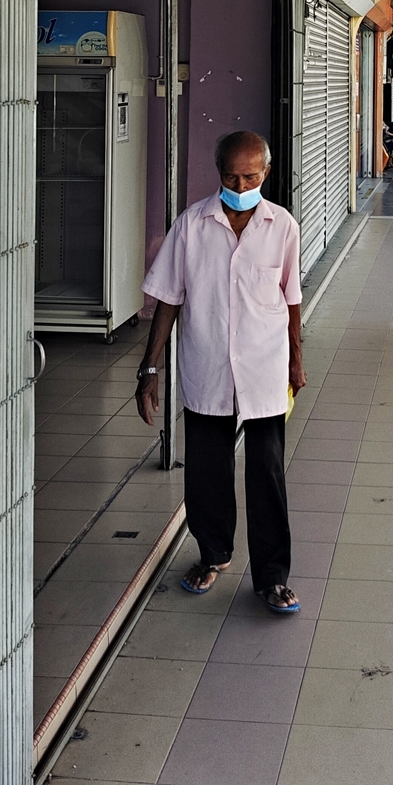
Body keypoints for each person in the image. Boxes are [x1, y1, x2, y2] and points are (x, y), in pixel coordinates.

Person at [134, 130, 307, 613]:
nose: (241, 185)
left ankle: (272, 577)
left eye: (250, 177)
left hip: (264, 368)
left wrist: (296, 359)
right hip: (207, 366)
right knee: (206, 470)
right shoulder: (192, 225)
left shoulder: (282, 226)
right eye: (231, 177)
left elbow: (292, 300)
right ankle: (213, 554)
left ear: (266, 173)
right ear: (219, 172)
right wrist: (150, 366)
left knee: (267, 472)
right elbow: (168, 298)